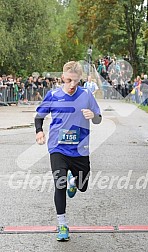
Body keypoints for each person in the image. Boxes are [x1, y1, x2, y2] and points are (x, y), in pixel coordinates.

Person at [35, 61, 102, 241]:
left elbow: (98, 119)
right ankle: (62, 224)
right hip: (58, 148)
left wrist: (93, 116)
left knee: (83, 186)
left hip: (80, 149)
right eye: (69, 80)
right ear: (63, 77)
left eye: (76, 82)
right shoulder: (53, 95)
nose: (72, 85)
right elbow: (39, 117)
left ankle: (75, 182)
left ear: (81, 80)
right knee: (60, 183)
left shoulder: (87, 95)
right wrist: (39, 131)